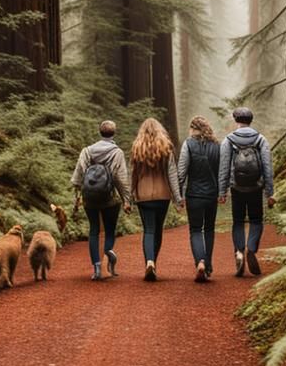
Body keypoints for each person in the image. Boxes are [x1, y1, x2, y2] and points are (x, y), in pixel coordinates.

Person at [217, 107, 275, 277]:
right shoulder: (261, 140)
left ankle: (239, 252)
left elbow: (224, 168)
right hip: (256, 188)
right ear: (251, 120)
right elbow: (267, 168)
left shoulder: (228, 140)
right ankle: (252, 248)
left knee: (238, 221)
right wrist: (270, 192)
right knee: (256, 220)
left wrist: (222, 191)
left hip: (237, 188)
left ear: (236, 120)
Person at [71, 120, 131, 280]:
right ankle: (108, 257)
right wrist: (126, 199)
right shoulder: (117, 152)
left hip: (89, 198)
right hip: (110, 198)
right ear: (114, 133)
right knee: (110, 230)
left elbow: (78, 177)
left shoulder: (87, 151)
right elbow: (121, 178)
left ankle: (97, 268)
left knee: (94, 230)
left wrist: (77, 197)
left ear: (100, 132)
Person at [129, 117, 184, 281]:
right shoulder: (166, 148)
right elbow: (172, 174)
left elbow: (132, 174)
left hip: (143, 195)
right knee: (158, 229)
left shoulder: (137, 148)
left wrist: (129, 196)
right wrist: (177, 198)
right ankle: (153, 263)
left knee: (149, 230)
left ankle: (149, 261)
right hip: (162, 195)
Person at [177, 115, 221, 283]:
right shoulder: (217, 145)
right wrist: (222, 191)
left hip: (194, 195)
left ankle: (200, 262)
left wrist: (179, 195)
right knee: (209, 229)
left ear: (192, 128)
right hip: (211, 195)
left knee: (196, 230)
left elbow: (182, 172)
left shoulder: (188, 144)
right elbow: (222, 171)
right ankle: (208, 266)